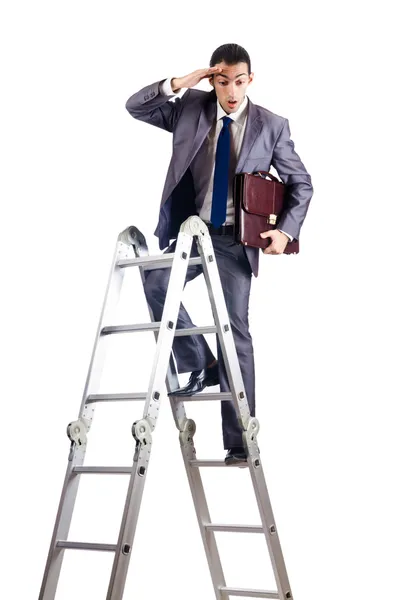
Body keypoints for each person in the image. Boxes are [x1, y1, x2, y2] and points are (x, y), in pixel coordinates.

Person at [125, 43, 313, 465]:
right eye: (223, 81)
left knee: (235, 328)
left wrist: (285, 230)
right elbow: (135, 106)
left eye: (239, 81)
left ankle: (239, 439)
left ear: (250, 80)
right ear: (213, 79)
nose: (231, 90)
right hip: (193, 231)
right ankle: (200, 362)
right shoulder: (190, 108)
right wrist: (179, 83)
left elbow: (302, 184)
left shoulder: (271, 126)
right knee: (156, 284)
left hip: (234, 239)